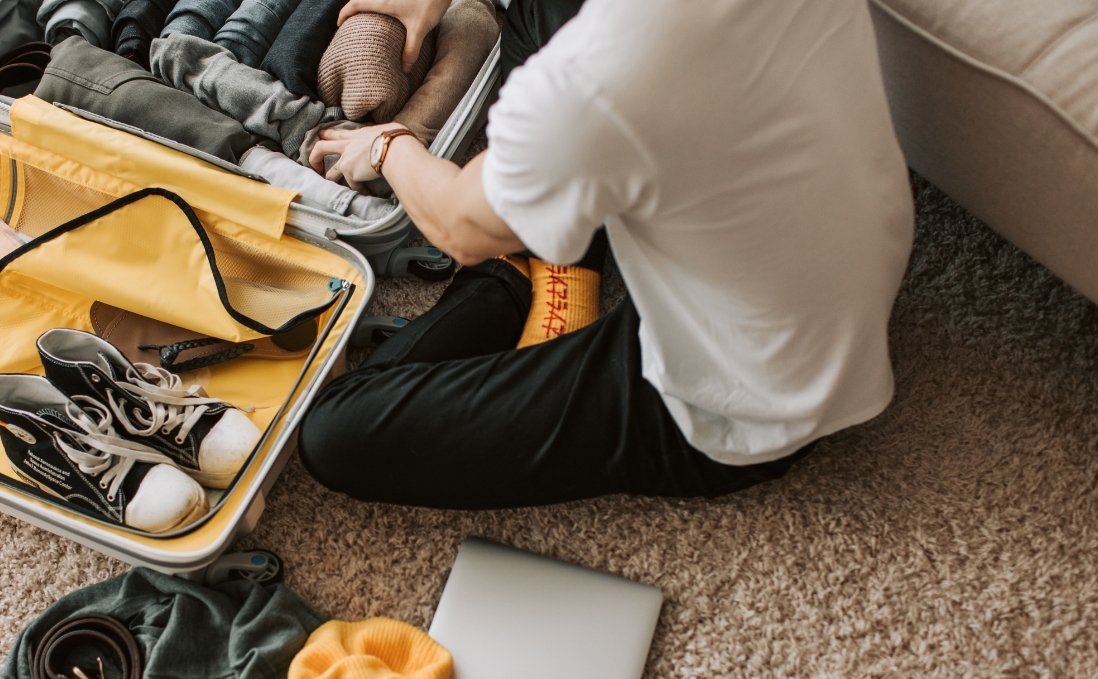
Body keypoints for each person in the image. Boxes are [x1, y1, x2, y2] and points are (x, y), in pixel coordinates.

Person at [296, 0, 916, 510]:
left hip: (747, 395)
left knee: (338, 429)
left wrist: (388, 148)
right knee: (540, 10)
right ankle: (549, 236)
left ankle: (513, 274)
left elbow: (457, 226)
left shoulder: (589, 82)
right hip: (835, 260)